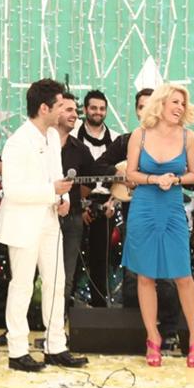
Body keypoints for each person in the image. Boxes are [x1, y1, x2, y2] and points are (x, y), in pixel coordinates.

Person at [0, 80, 89, 372]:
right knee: (22, 285)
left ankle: (55, 345)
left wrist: (63, 199)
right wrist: (52, 192)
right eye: (60, 105)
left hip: (49, 220)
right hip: (23, 223)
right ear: (44, 108)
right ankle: (17, 351)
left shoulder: (51, 136)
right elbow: (12, 191)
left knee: (56, 282)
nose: (64, 110)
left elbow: (57, 176)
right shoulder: (17, 142)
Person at [123, 83, 194, 367]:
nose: (180, 107)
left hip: (172, 209)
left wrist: (175, 179)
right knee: (145, 276)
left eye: (183, 103)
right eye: (175, 102)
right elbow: (130, 173)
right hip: (143, 207)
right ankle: (153, 337)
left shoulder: (188, 137)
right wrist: (154, 179)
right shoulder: (140, 134)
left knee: (182, 275)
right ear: (161, 103)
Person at [99, 89, 183, 351]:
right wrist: (122, 175)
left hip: (166, 215)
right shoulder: (127, 140)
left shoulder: (176, 139)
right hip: (134, 215)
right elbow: (99, 165)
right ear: (137, 111)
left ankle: (169, 330)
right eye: (141, 106)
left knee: (167, 275)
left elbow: (189, 176)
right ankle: (137, 331)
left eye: (151, 105)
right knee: (134, 275)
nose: (146, 110)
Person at [54, 93, 97, 308]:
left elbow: (92, 180)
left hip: (71, 220)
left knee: (66, 276)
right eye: (69, 110)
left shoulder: (80, 149)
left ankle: (58, 322)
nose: (74, 115)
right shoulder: (36, 144)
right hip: (40, 216)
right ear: (54, 110)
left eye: (76, 111)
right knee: (31, 274)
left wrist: (73, 198)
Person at [77, 90, 119, 306]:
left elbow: (122, 176)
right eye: (93, 108)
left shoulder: (116, 139)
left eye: (102, 109)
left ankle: (100, 309)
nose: (98, 112)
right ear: (85, 109)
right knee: (73, 259)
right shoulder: (72, 137)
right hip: (76, 204)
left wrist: (113, 202)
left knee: (101, 261)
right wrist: (80, 206)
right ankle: (66, 311)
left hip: (106, 206)